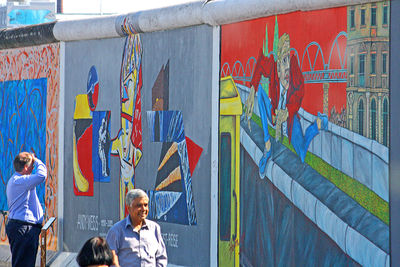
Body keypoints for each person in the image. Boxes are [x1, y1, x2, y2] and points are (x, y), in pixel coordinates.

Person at [244, 33, 328, 177]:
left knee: (301, 154)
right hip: (275, 116)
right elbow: (260, 63)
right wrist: (252, 90)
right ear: (278, 63)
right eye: (284, 60)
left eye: (289, 59)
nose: (287, 67)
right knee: (260, 94)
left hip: (289, 120)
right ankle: (267, 145)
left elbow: (299, 91)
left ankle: (317, 124)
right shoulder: (273, 67)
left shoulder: (294, 70)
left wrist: (288, 112)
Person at [5, 152, 47, 267]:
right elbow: (42, 175)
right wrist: (36, 160)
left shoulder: (17, 181)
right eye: (32, 166)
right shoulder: (21, 181)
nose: (33, 169)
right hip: (23, 228)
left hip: (23, 227)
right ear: (25, 167)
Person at [106, 189, 167, 267]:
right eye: (139, 206)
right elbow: (111, 260)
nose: (144, 209)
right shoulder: (116, 231)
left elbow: (161, 257)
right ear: (129, 208)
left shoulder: (154, 228)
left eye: (145, 205)